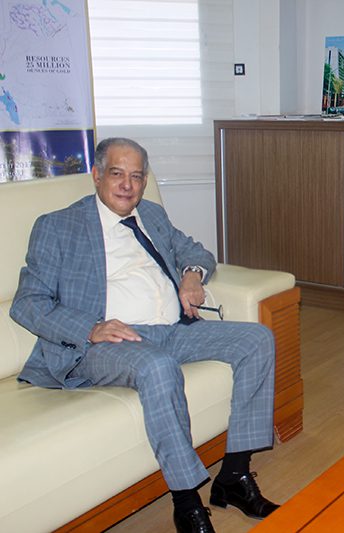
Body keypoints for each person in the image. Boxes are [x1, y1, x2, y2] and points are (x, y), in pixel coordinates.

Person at [11, 138, 279, 533]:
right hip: (108, 342)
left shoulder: (151, 214)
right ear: (97, 175)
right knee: (158, 367)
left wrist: (192, 276)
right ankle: (186, 502)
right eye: (117, 174)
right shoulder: (58, 226)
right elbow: (27, 303)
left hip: (171, 329)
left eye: (136, 176)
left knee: (256, 339)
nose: (128, 185)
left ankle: (234, 477)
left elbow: (197, 252)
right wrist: (90, 328)